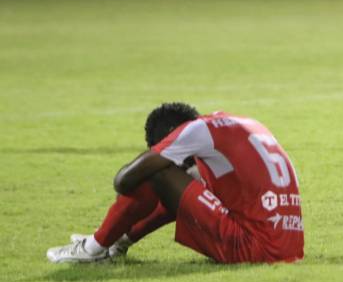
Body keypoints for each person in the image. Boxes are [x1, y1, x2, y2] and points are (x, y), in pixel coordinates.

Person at [46, 103, 304, 264]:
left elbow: (123, 181)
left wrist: (161, 159)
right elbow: (185, 198)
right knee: (184, 184)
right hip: (286, 244)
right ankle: (114, 242)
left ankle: (92, 249)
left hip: (255, 247)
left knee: (158, 174)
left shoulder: (196, 131)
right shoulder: (243, 124)